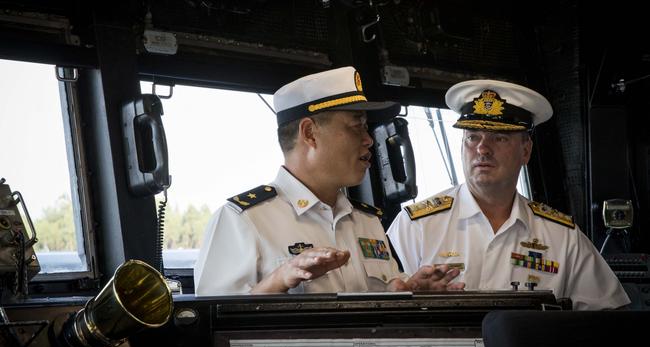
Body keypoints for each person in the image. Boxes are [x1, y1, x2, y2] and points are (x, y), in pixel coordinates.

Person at [194, 66, 465, 295]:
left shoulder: (367, 221)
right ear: (310, 133)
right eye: (356, 126)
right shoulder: (243, 221)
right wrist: (277, 282)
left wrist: (408, 291)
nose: (369, 139)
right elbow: (213, 328)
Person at [387, 79, 630, 310]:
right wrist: (411, 296)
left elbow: (608, 316)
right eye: (472, 137)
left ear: (526, 151)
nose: (482, 149)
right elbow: (375, 306)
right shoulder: (416, 225)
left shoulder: (562, 237)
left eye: (499, 137)